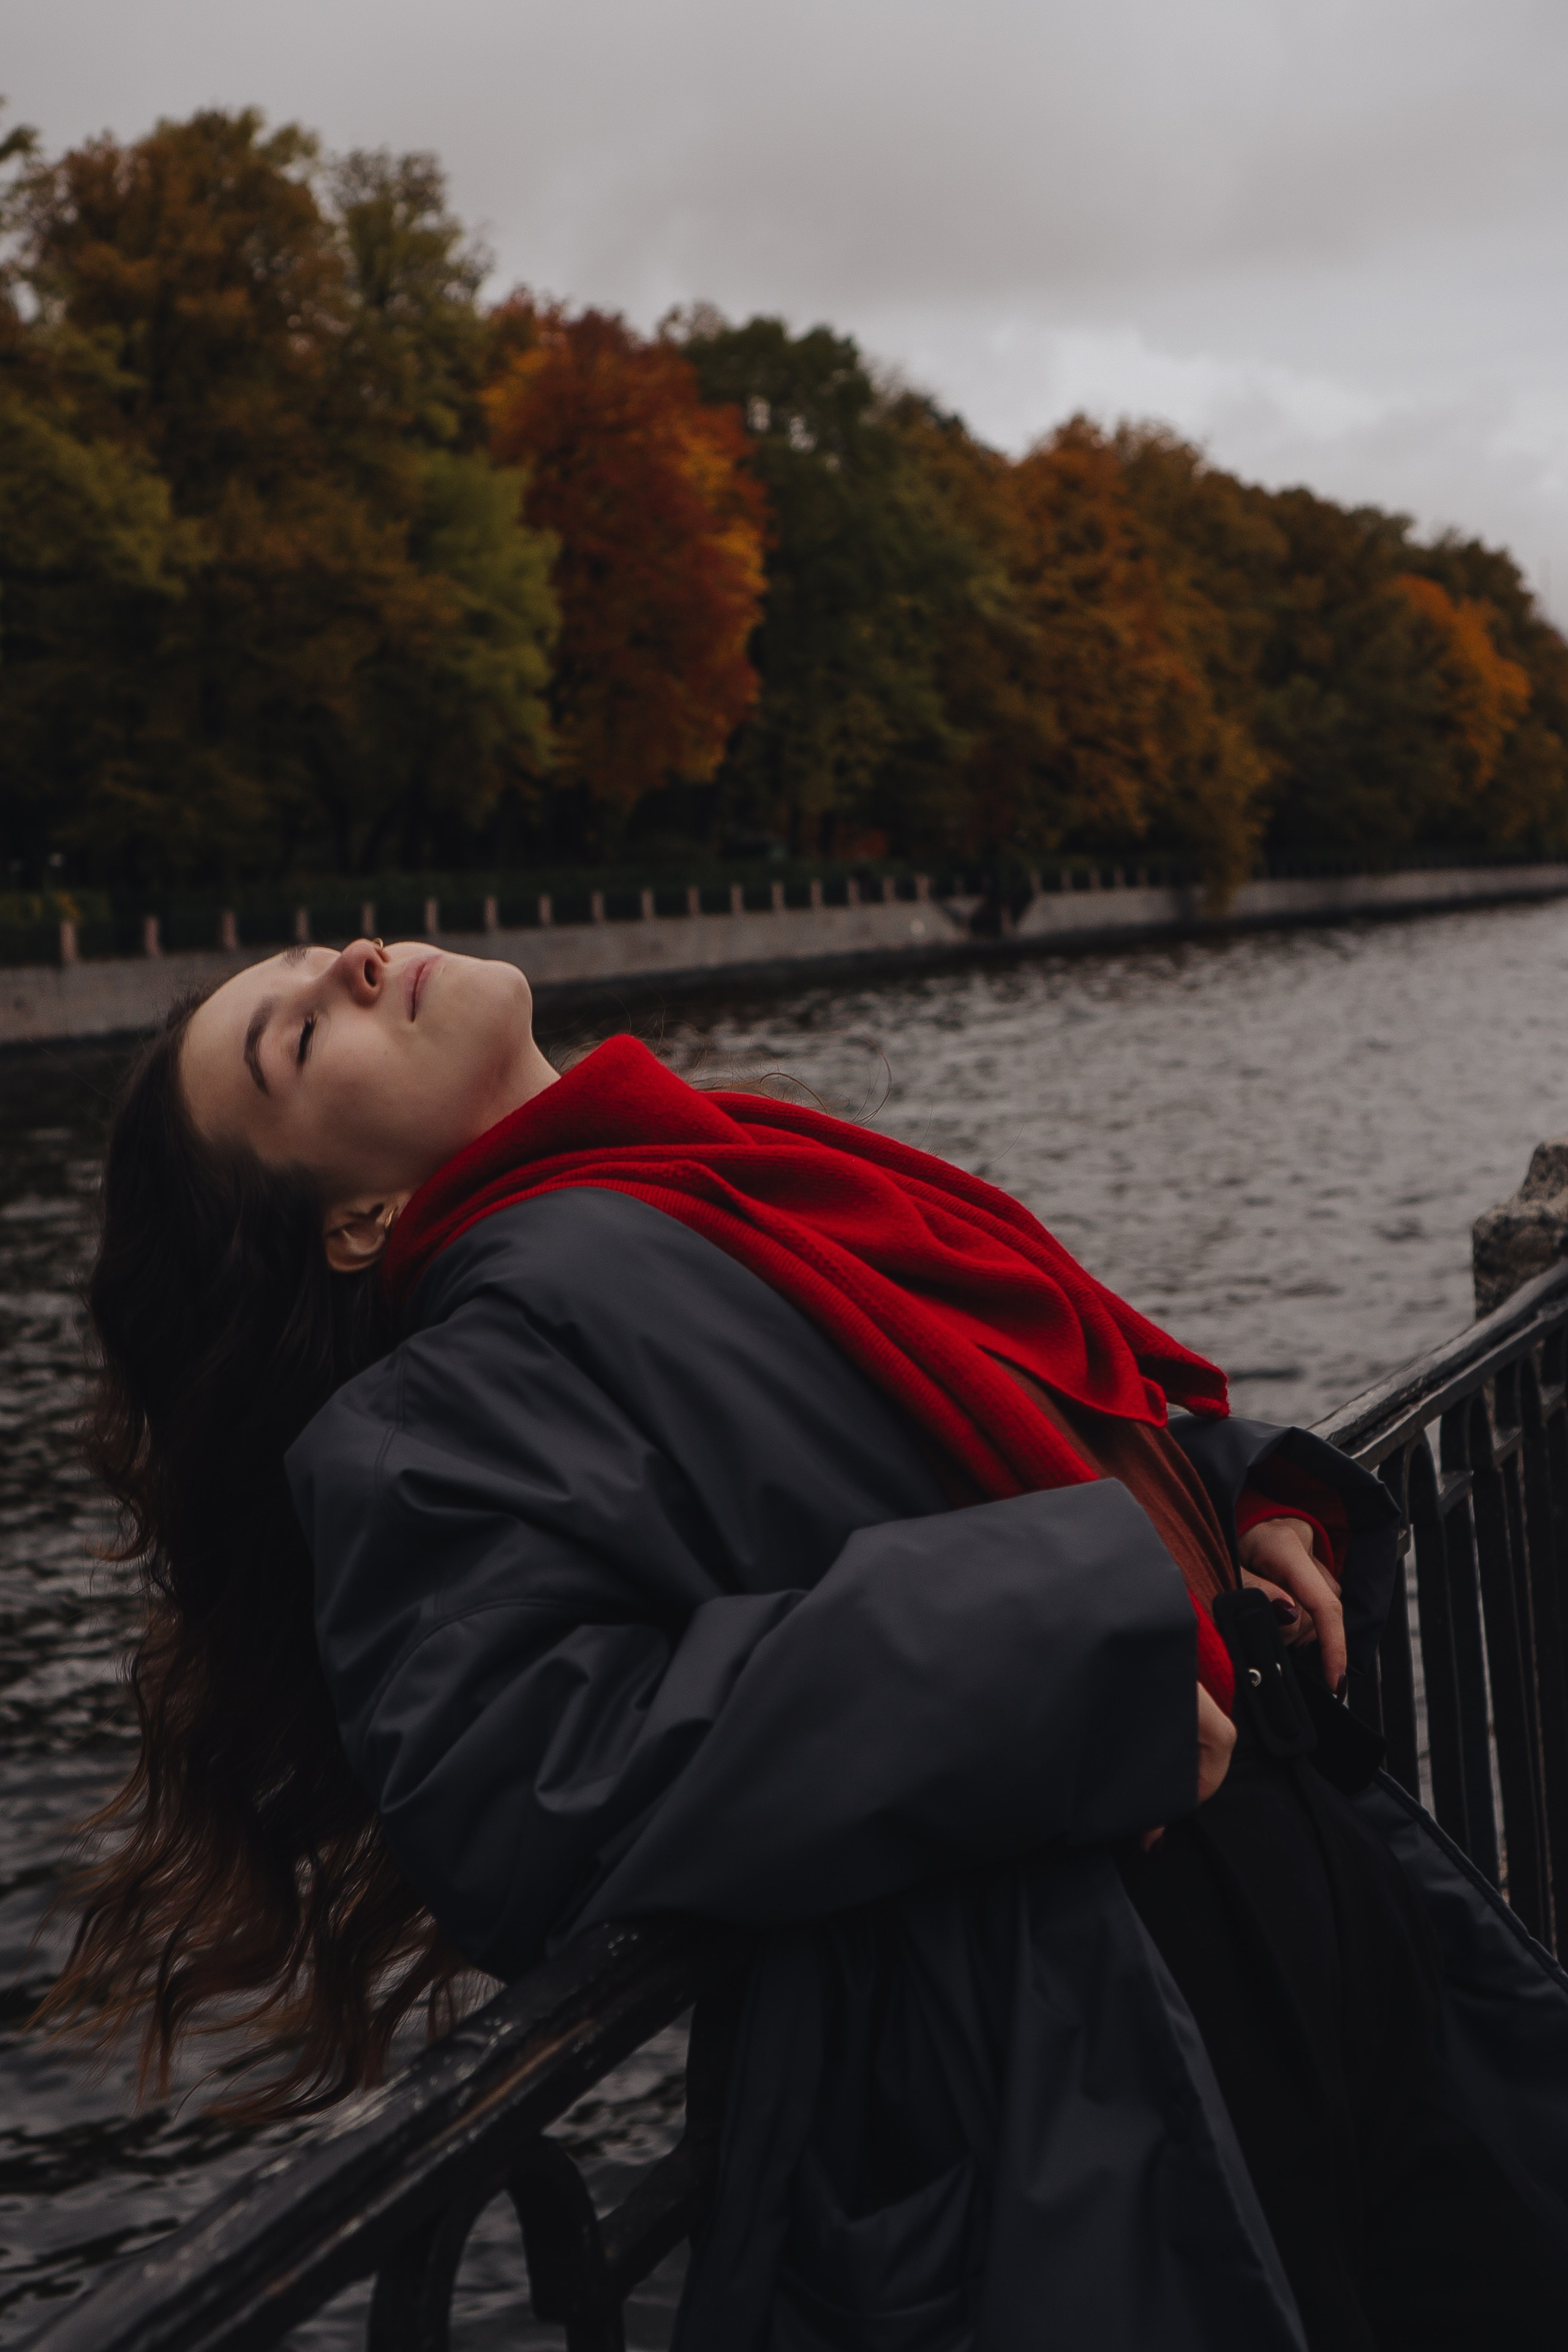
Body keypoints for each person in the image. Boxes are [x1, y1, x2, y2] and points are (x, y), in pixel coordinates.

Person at [56, 935, 1568, 2351]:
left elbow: (1009, 1435)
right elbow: (529, 1794)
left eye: (320, 952)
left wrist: (1236, 1500)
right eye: (297, 1036)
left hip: (1286, 1871)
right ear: (358, 1219)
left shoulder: (715, 1172)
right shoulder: (439, 1405)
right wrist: (1051, 1665)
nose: (353, 960)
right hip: (1095, 2006)